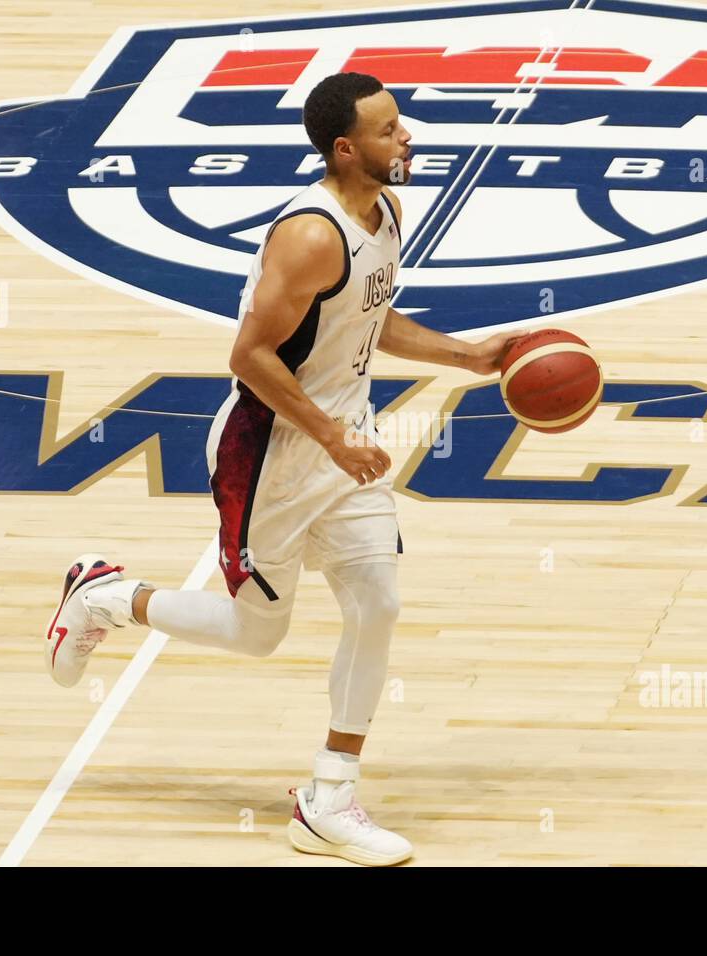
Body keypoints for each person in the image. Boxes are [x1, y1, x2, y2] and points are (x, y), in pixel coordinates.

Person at [44, 72, 524, 866]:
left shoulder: (386, 212)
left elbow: (369, 317)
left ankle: (328, 799)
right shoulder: (310, 235)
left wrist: (462, 354)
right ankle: (106, 597)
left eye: (400, 124)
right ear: (346, 149)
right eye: (389, 129)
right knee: (256, 633)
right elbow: (251, 356)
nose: (407, 138)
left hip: (342, 443)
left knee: (379, 605)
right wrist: (333, 436)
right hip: (269, 455)